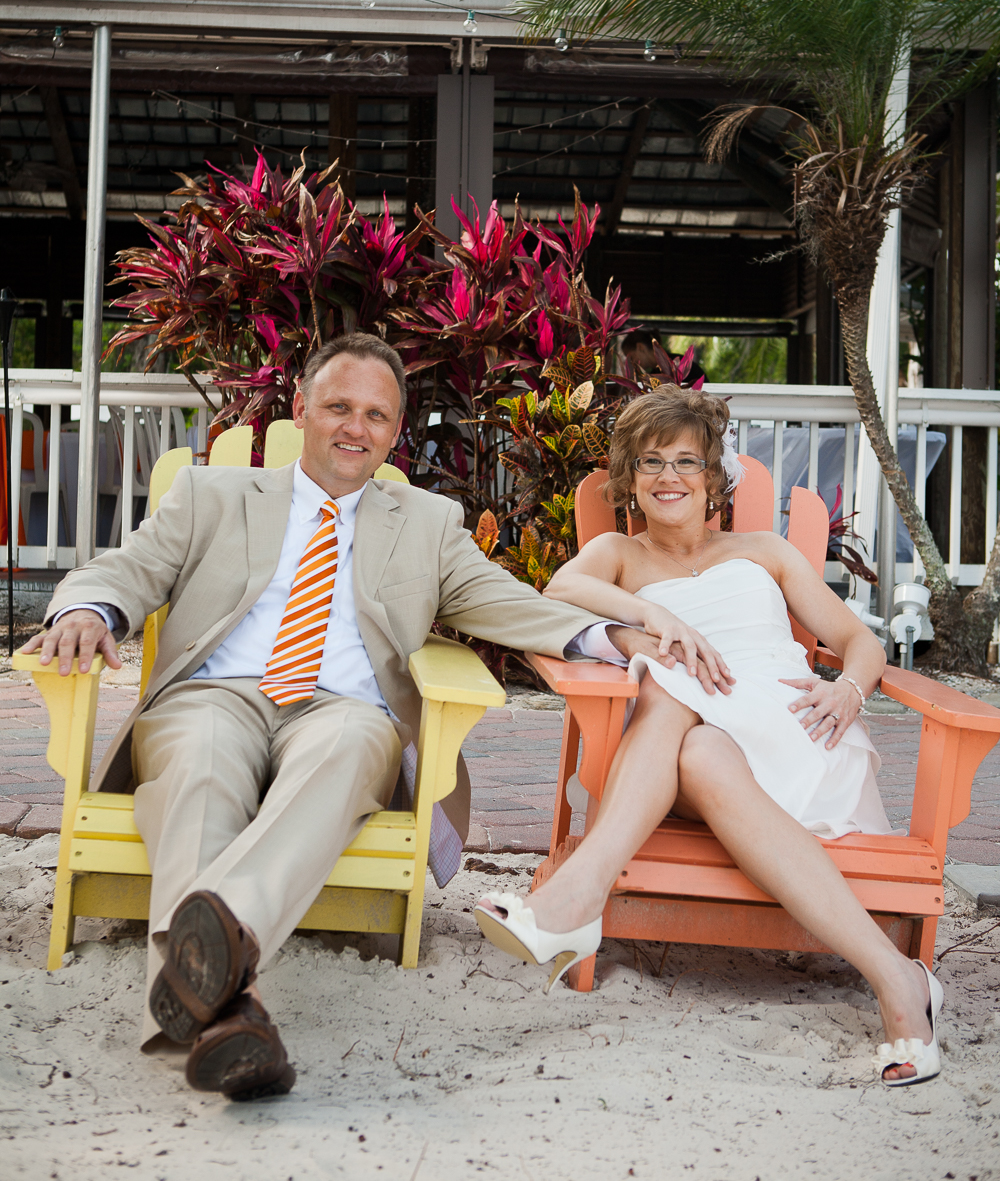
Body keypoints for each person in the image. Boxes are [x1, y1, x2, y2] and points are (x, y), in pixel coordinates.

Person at [25, 333, 663, 1101]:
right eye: (337, 407)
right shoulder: (212, 496)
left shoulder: (427, 524)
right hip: (213, 697)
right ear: (300, 410)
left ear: (395, 431)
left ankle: (206, 960)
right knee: (198, 765)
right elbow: (122, 570)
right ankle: (227, 999)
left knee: (354, 741)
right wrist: (89, 611)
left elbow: (510, 605)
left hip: (342, 712)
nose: (354, 428)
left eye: (375, 414)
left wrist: (610, 634)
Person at [475, 385, 944, 1089]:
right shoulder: (616, 553)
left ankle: (575, 900)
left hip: (795, 729)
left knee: (671, 693)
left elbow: (857, 641)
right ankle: (900, 982)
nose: (669, 477)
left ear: (713, 477)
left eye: (686, 462)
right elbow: (560, 592)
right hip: (694, 748)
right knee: (670, 685)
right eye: (652, 462)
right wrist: (654, 620)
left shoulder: (766, 550)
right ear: (630, 479)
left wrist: (847, 690)